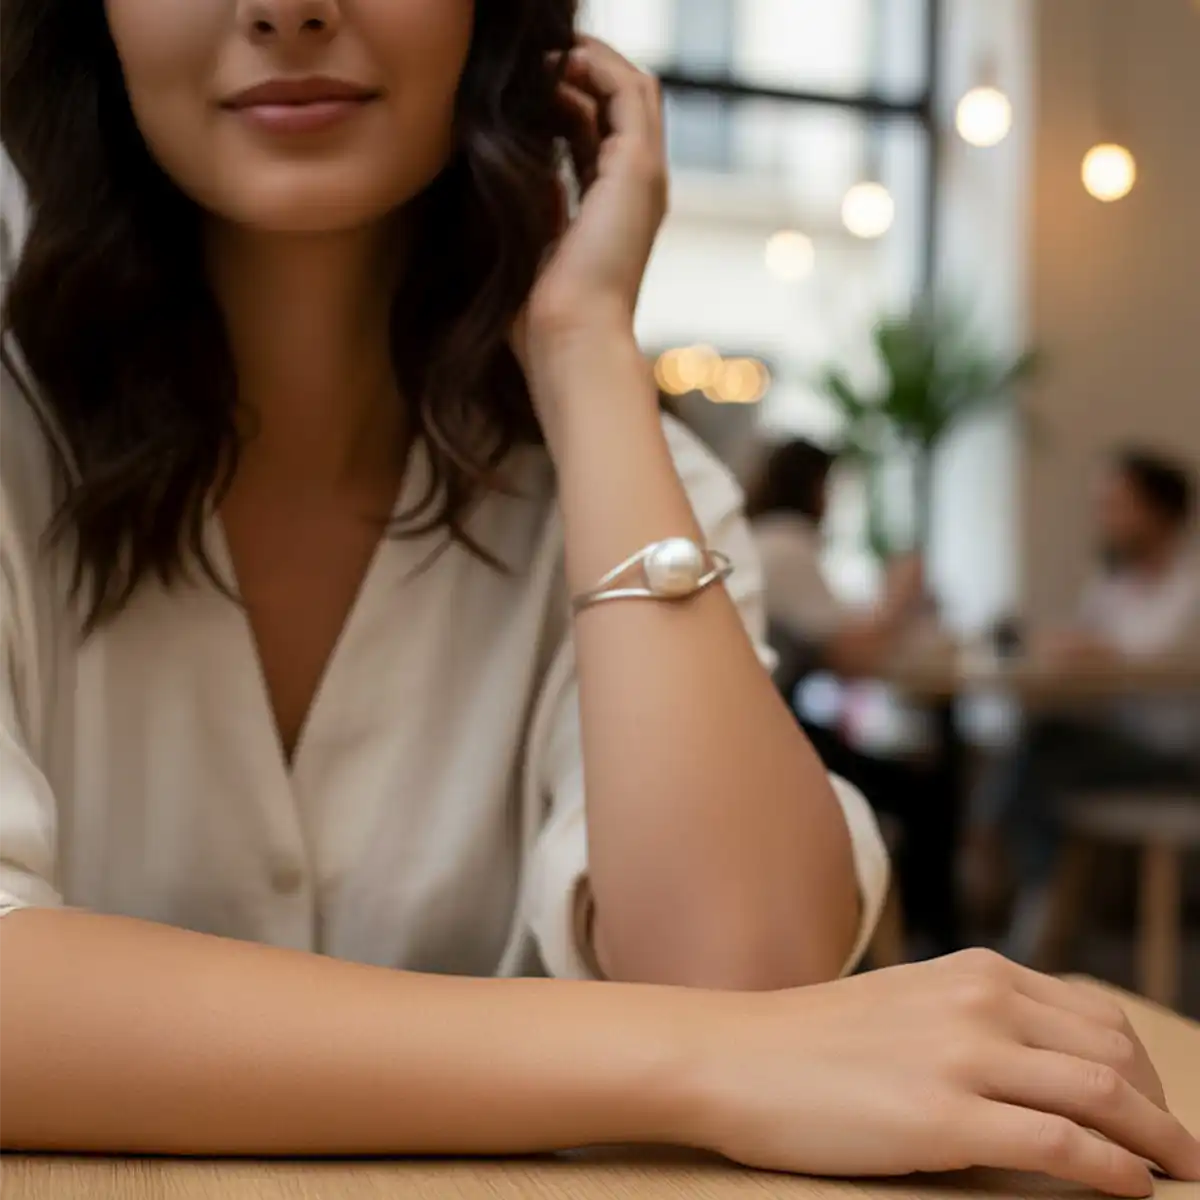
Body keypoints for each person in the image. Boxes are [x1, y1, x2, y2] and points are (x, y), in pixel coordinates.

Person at [0, 4, 1195, 1193]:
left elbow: (746, 973)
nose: (287, 3)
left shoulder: (624, 473)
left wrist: (582, 346)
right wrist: (689, 1063)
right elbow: (759, 1045)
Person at [984, 448, 1200, 963]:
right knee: (1044, 740)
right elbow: (1084, 653)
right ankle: (1030, 889)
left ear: (1158, 511)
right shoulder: (1115, 586)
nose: (1104, 517)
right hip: (1115, 742)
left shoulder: (1191, 588)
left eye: (1117, 504)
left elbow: (1154, 662)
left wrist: (1097, 654)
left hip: (1175, 756)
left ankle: (1015, 874)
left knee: (1046, 748)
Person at [748, 439, 961, 956]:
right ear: (814, 487)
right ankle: (926, 943)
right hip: (769, 743)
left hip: (766, 729)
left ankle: (918, 937)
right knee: (925, 791)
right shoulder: (785, 544)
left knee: (921, 778)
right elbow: (852, 656)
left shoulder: (763, 539)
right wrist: (899, 593)